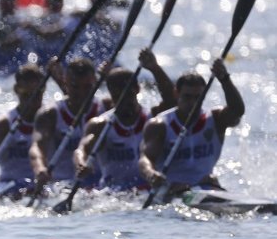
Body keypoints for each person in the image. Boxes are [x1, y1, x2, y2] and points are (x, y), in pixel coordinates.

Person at [72, 49, 177, 191]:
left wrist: (155, 68)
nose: (124, 102)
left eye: (128, 95)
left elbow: (172, 101)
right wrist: (81, 163)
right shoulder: (100, 125)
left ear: (138, 89)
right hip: (114, 194)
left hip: (147, 189)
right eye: (117, 96)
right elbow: (82, 149)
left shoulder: (153, 118)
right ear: (110, 94)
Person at [138, 58, 244, 198]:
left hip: (206, 187)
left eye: (197, 98)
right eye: (187, 97)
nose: (193, 103)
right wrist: (151, 174)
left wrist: (224, 79)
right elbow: (145, 159)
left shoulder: (216, 119)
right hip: (172, 191)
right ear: (176, 94)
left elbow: (237, 110)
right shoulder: (159, 125)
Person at [29, 57, 111, 191]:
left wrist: (110, 77)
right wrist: (40, 169)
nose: (81, 93)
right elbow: (37, 148)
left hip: (98, 185)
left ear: (95, 83)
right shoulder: (49, 114)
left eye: (87, 87)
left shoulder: (107, 108)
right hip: (62, 185)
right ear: (65, 83)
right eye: (75, 87)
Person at [0, 63, 46, 200]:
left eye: (36, 95)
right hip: (10, 185)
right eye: (26, 95)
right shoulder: (2, 124)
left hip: (43, 185)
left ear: (44, 90)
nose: (31, 101)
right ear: (16, 90)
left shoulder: (51, 119)